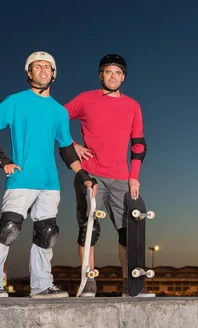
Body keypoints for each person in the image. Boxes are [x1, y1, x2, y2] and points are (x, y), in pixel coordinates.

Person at [0, 51, 96, 299]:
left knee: (47, 233)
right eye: (37, 66)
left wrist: (84, 175)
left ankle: (41, 285)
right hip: (21, 179)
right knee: (8, 228)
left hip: (50, 183)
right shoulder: (16, 101)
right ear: (29, 73)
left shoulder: (59, 112)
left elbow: (66, 149)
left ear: (54, 74)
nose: (42, 70)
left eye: (47, 67)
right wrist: (1, 158)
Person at [65, 54, 154, 297]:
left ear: (123, 77)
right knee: (89, 229)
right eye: (108, 72)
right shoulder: (85, 99)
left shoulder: (132, 105)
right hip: (90, 175)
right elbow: (57, 120)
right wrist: (73, 145)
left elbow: (138, 144)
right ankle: (88, 283)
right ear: (100, 75)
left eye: (118, 73)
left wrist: (133, 176)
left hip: (121, 179)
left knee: (129, 232)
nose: (113, 76)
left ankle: (131, 284)